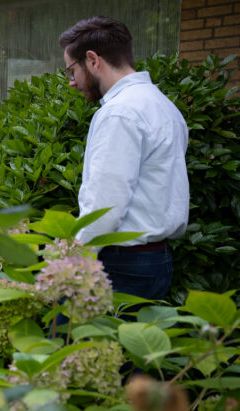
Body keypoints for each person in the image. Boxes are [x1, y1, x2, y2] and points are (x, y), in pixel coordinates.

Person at [59, 16, 188, 301]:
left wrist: (72, 265)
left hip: (120, 265)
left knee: (71, 329)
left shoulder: (119, 113)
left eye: (71, 70)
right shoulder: (164, 106)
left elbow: (105, 206)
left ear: (93, 60)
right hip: (156, 261)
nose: (72, 82)